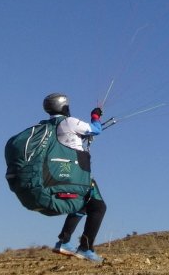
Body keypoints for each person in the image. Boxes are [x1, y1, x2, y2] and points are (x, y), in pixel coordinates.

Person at [42, 92, 108, 263]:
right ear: (65, 107)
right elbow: (96, 129)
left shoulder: (46, 126)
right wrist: (95, 116)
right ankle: (85, 248)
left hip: (57, 174)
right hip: (76, 173)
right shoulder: (69, 122)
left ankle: (64, 241)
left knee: (82, 205)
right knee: (99, 207)